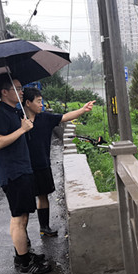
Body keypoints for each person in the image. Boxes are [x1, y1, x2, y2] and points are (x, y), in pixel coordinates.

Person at [0, 73, 51, 274]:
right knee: (18, 218)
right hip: (13, 173)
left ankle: (22, 255)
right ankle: (25, 264)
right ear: (4, 92)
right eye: (17, 88)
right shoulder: (0, 114)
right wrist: (22, 130)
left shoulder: (14, 111)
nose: (21, 91)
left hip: (22, 170)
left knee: (22, 216)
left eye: (21, 88)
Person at [22, 87, 95, 236]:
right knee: (25, 202)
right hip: (24, 167)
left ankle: (44, 227)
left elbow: (65, 117)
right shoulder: (18, 120)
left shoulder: (45, 118)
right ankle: (22, 235)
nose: (41, 105)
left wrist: (82, 110)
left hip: (42, 164)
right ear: (28, 103)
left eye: (41, 101)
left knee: (43, 196)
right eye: (38, 101)